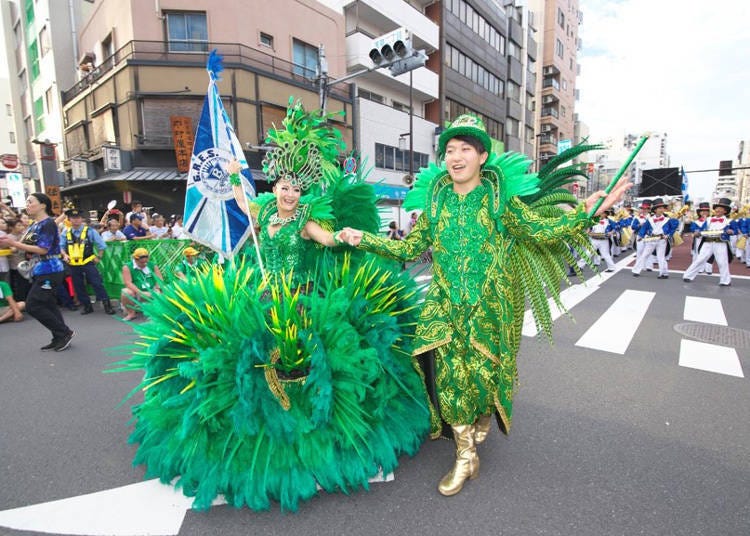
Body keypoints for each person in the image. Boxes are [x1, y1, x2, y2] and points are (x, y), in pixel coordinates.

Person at [117, 99, 428, 512]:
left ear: (301, 194)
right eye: (284, 187)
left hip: (297, 296)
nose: (289, 193)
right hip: (264, 289)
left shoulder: (304, 220)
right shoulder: (263, 211)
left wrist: (350, 236)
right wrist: (233, 177)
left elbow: (327, 240)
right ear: (276, 188)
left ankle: (299, 414)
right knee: (256, 349)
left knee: (295, 354)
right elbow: (244, 203)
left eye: (296, 189)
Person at [340, 114, 630, 496]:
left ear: (481, 156)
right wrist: (364, 238)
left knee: (481, 378)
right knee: (449, 380)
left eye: (464, 149)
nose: (454, 157)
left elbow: (543, 231)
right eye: (449, 150)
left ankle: (479, 422)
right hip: (444, 309)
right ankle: (464, 456)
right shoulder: (437, 203)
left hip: (488, 311)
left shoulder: (499, 202)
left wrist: (588, 210)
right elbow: (408, 248)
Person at [0, 193, 75, 351]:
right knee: (49, 304)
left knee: (33, 305)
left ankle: (64, 333)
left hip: (51, 269)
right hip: (40, 270)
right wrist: (8, 242)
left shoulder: (47, 224)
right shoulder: (34, 226)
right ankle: (58, 336)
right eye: (26, 202)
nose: (27, 205)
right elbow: (18, 245)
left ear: (43, 205)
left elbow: (42, 249)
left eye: (30, 202)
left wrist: (14, 243)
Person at [60, 209, 116, 315]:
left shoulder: (90, 231)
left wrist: (98, 257)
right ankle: (87, 306)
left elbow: (102, 245)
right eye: (73, 218)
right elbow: (60, 246)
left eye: (78, 218)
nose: (76, 220)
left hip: (88, 262)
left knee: (97, 283)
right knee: (78, 286)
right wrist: (64, 255)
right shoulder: (65, 232)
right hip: (73, 264)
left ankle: (107, 305)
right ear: (69, 220)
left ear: (81, 219)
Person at [683, 198, 737, 286]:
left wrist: (731, 232)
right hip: (707, 242)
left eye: (721, 208)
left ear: (725, 211)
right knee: (700, 259)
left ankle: (725, 280)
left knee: (722, 262)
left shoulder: (729, 221)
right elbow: (701, 229)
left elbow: (736, 231)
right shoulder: (708, 220)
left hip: (720, 243)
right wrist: (697, 232)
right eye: (717, 208)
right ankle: (688, 275)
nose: (718, 210)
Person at [631, 198, 678, 279]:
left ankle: (664, 273)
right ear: (655, 210)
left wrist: (668, 234)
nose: (661, 209)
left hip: (662, 239)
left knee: (661, 257)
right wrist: (641, 236)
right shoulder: (650, 219)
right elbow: (644, 228)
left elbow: (674, 226)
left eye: (663, 208)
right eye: (659, 208)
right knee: (645, 255)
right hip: (651, 239)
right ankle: (636, 270)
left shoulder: (667, 219)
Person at [120, 247, 163, 320]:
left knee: (165, 290)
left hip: (152, 290)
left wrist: (157, 288)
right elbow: (128, 283)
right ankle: (131, 313)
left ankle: (156, 314)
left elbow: (159, 279)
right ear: (136, 259)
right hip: (137, 292)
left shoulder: (152, 265)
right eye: (142, 262)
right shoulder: (127, 267)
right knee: (125, 292)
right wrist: (140, 292)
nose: (145, 264)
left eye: (146, 261)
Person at [688, 201, 713, 275]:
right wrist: (695, 232)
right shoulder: (696, 222)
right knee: (698, 252)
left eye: (706, 211)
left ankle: (708, 268)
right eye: (702, 211)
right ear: (699, 212)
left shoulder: (712, 220)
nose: (704, 213)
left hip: (710, 239)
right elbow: (692, 229)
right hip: (699, 239)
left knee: (710, 253)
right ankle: (699, 268)